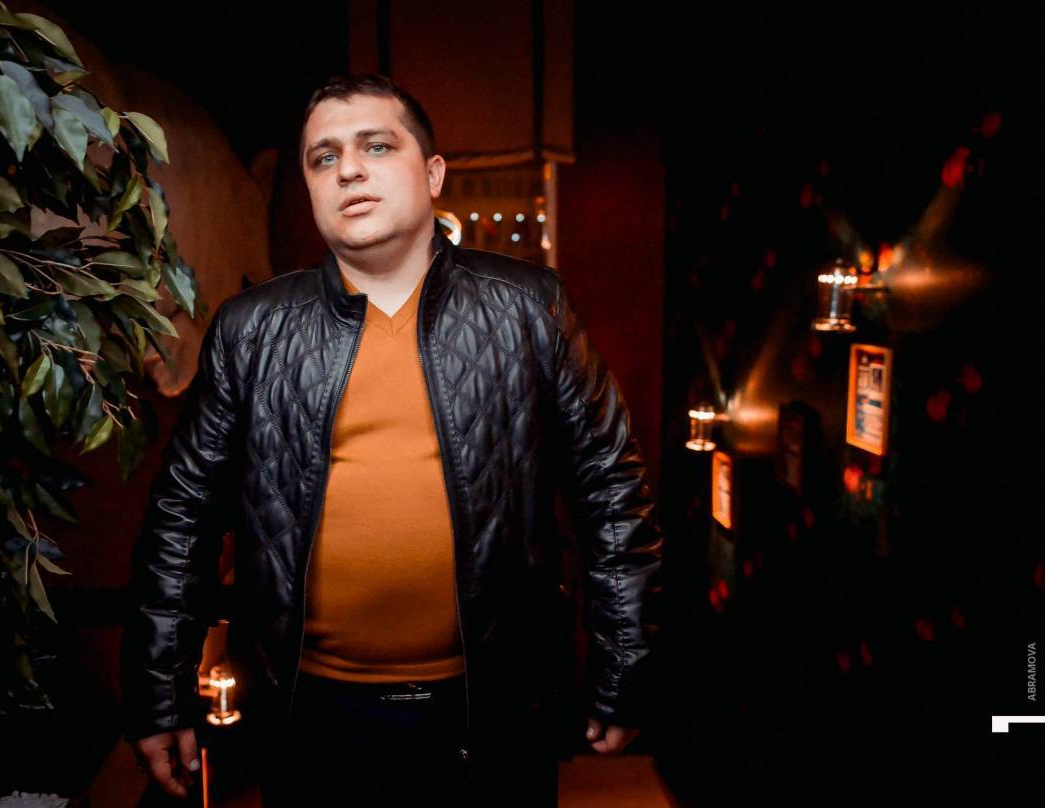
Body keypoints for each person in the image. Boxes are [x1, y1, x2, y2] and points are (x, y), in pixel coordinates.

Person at [120, 72, 663, 806]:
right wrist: (159, 694)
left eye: (376, 146)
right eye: (324, 157)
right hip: (307, 715)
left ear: (432, 174)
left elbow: (613, 494)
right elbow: (182, 517)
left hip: (492, 710)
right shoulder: (251, 330)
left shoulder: (530, 310)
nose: (348, 169)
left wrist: (624, 668)